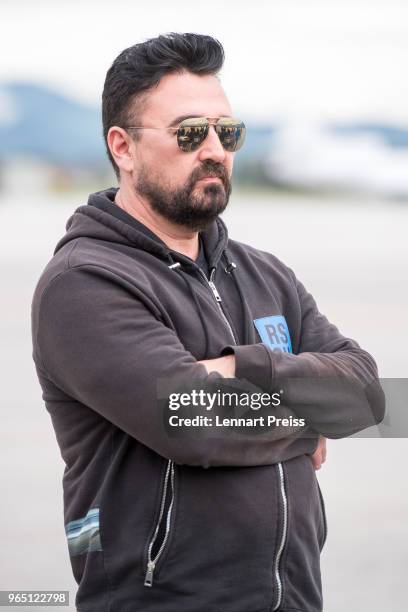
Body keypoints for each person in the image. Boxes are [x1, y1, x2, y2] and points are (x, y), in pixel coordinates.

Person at [31, 33, 385, 612]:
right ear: (123, 146)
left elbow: (369, 396)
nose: (215, 148)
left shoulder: (264, 273)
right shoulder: (85, 282)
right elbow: (190, 419)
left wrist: (239, 367)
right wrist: (309, 417)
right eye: (190, 132)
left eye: (229, 132)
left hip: (292, 598)